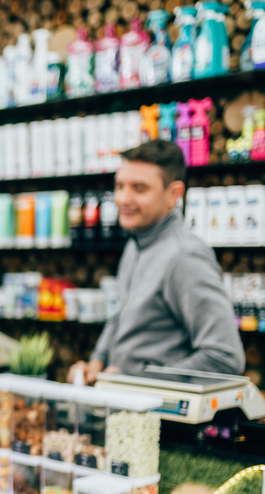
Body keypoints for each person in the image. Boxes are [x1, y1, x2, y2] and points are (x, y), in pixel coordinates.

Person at [69, 139, 244, 384]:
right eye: (119, 186)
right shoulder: (135, 243)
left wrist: (137, 381)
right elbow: (120, 317)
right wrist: (97, 362)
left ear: (174, 194)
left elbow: (224, 357)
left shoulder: (185, 258)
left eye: (139, 188)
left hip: (162, 418)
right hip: (128, 410)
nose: (122, 198)